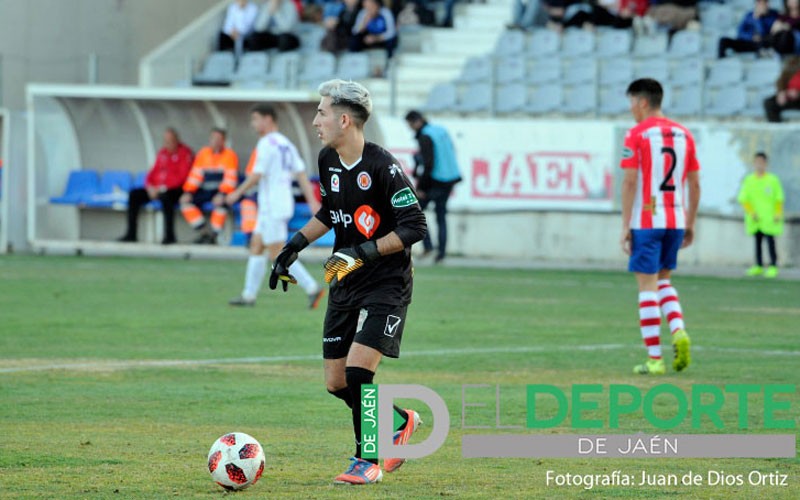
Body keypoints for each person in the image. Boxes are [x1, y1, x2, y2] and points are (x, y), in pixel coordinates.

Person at [267, 80, 427, 484]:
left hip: (387, 283)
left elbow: (415, 226)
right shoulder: (328, 159)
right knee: (336, 382)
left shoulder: (384, 167)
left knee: (358, 373)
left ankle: (367, 460)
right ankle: (401, 420)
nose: (315, 120)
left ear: (343, 119)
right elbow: (329, 211)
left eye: (321, 112)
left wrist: (364, 252)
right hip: (344, 277)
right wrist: (294, 245)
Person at [620, 78, 700, 376]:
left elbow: (629, 181)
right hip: (675, 219)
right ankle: (678, 329)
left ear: (642, 102)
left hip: (647, 219)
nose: (630, 109)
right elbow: (695, 182)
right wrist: (690, 222)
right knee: (663, 282)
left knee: (646, 288)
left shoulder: (636, 134)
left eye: (631, 102)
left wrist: (626, 224)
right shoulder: (685, 134)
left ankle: (655, 358)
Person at [226, 104, 324, 308]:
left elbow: (257, 174)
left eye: (255, 119)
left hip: (273, 205)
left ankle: (312, 288)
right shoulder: (285, 143)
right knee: (257, 245)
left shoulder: (266, 143)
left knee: (277, 252)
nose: (253, 124)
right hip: (276, 203)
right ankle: (248, 296)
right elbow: (301, 175)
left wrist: (237, 192)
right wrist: (313, 201)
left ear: (267, 119)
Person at [118, 128, 193, 245]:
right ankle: (131, 234)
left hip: (175, 190)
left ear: (176, 140)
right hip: (156, 189)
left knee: (165, 198)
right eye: (166, 141)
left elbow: (182, 177)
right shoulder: (162, 153)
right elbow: (152, 173)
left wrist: (162, 188)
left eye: (170, 141)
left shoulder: (185, 153)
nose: (167, 144)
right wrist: (150, 187)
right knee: (134, 194)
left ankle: (169, 236)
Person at [404, 110, 461, 263]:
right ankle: (441, 254)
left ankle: (428, 246)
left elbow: (429, 164)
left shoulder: (425, 136)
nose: (411, 128)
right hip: (450, 178)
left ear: (416, 122)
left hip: (435, 180)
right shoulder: (440, 130)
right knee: (441, 216)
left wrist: (421, 187)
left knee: (415, 213)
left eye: (410, 125)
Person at [180, 128, 239, 244]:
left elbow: (230, 179)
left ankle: (213, 235)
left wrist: (222, 194)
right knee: (185, 202)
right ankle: (204, 232)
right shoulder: (203, 153)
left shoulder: (230, 155)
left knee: (222, 204)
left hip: (220, 191)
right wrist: (188, 192)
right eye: (213, 139)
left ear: (224, 141)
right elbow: (195, 176)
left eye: (219, 139)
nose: (215, 141)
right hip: (205, 189)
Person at [737, 152, 785, 278]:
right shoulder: (749, 180)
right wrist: (751, 212)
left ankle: (773, 265)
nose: (759, 165)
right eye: (757, 162)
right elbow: (743, 198)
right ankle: (758, 265)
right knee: (757, 242)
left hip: (769, 217)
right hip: (755, 218)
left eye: (761, 162)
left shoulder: (773, 180)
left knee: (770, 242)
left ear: (765, 164)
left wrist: (778, 213)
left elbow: (779, 198)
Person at [764, 55, 800, 122]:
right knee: (769, 102)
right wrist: (781, 92)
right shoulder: (791, 65)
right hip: (789, 97)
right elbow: (780, 81)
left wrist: (798, 93)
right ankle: (777, 128)